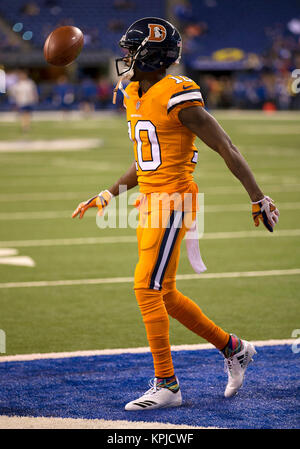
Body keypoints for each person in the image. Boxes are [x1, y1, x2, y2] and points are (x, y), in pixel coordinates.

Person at [72, 18, 280, 410]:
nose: (126, 57)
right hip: (150, 201)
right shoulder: (134, 92)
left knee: (145, 287)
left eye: (132, 50)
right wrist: (107, 193)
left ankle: (167, 383)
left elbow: (227, 147)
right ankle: (233, 348)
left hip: (174, 201)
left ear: (151, 54)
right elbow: (147, 162)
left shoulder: (177, 95)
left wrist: (258, 197)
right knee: (162, 292)